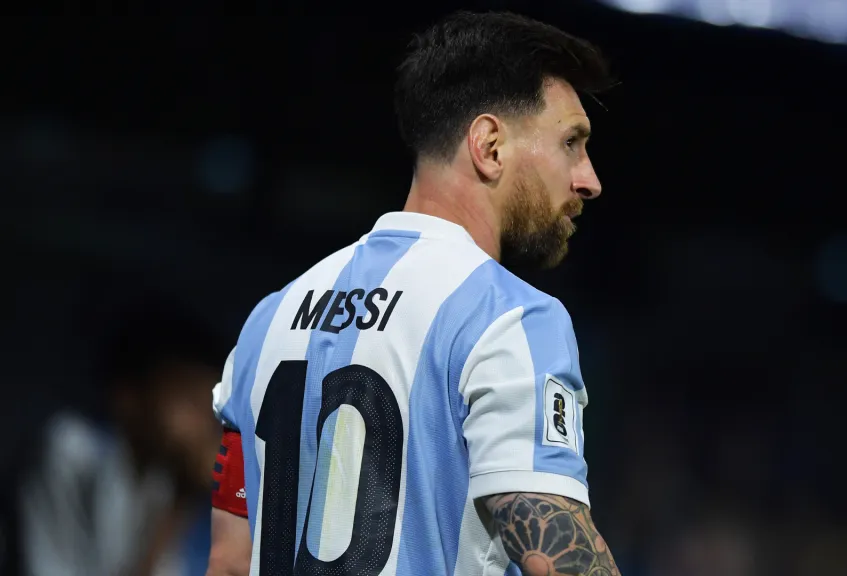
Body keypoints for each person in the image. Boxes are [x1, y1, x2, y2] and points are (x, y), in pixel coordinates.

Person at [207, 10, 620, 576]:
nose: (589, 179)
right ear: (489, 146)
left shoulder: (267, 321)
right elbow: (560, 562)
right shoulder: (513, 320)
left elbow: (228, 564)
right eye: (572, 142)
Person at [18, 274, 224, 576]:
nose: (203, 422)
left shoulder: (158, 484)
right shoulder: (71, 450)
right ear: (128, 396)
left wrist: (182, 502)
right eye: (187, 398)